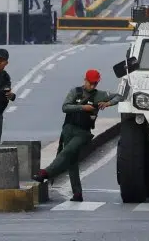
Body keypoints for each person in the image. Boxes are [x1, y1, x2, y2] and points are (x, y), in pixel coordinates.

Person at [33, 69, 122, 201]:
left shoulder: (100, 95)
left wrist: (108, 103)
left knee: (67, 152)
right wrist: (82, 107)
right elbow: (65, 107)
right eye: (90, 83)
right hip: (69, 129)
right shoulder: (75, 92)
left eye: (95, 84)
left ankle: (45, 173)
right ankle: (77, 193)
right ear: (85, 80)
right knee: (72, 162)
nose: (92, 86)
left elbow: (120, 96)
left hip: (83, 133)